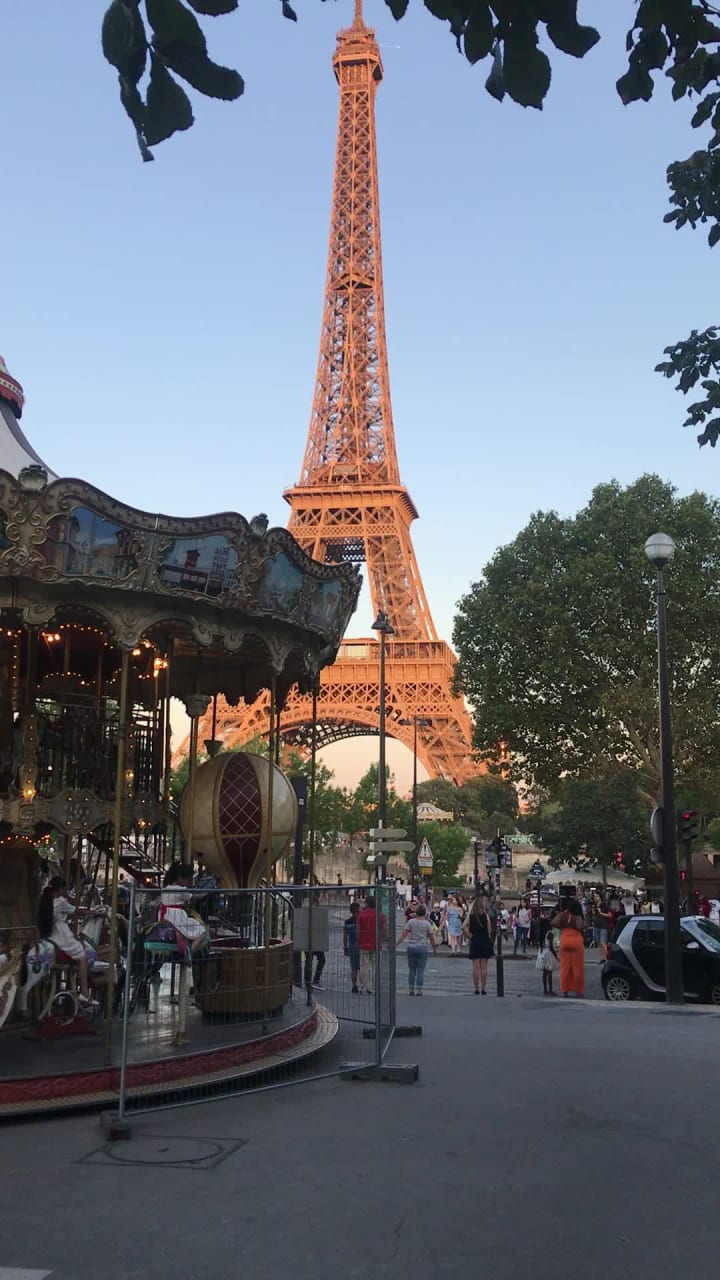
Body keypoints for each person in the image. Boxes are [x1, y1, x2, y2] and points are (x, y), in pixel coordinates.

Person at [37, 876, 97, 1007]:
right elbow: (78, 911)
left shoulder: (45, 900)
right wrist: (93, 912)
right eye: (65, 888)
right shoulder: (60, 902)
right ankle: (85, 992)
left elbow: (73, 902)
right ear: (60, 889)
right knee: (82, 956)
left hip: (47, 935)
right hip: (60, 934)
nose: (66, 890)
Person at [160, 863, 208, 955]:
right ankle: (190, 952)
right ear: (180, 878)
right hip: (177, 917)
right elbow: (195, 897)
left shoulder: (165, 888)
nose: (189, 882)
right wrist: (206, 894)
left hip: (164, 915)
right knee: (201, 931)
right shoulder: (180, 890)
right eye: (188, 879)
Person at [552, 890, 585, 997]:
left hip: (565, 938)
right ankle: (578, 990)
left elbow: (553, 922)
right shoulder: (577, 917)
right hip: (576, 939)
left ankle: (564, 989)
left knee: (564, 967)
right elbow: (581, 926)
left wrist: (562, 927)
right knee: (577, 967)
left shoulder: (563, 915)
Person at [398, 903, 437, 996]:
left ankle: (411, 989)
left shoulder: (411, 922)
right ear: (424, 913)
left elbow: (404, 934)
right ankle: (419, 990)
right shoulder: (427, 923)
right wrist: (434, 948)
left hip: (411, 946)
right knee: (420, 969)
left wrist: (397, 943)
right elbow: (432, 937)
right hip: (422, 947)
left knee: (412, 970)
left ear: (416, 912)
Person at [356, 894, 387, 994]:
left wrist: (358, 940)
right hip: (376, 943)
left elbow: (358, 930)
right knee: (375, 967)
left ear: (367, 903)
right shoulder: (380, 915)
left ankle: (363, 986)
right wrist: (382, 939)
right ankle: (373, 987)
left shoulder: (361, 914)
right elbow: (383, 929)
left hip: (364, 943)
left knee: (364, 966)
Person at [464, 896, 494, 995]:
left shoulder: (471, 916)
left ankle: (476, 988)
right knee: (484, 967)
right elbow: (489, 931)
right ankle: (483, 988)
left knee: (475, 967)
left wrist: (468, 935)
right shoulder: (486, 916)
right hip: (484, 941)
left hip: (475, 941)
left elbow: (463, 926)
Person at [343, 901, 361, 994]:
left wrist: (345, 947)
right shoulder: (361, 920)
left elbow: (345, 936)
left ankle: (354, 985)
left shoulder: (347, 922)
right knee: (362, 967)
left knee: (354, 968)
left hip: (352, 946)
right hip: (362, 946)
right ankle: (363, 985)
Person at [536, 925, 558, 995]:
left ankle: (545, 989)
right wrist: (555, 954)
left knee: (544, 972)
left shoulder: (541, 933)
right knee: (549, 972)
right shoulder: (550, 933)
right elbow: (551, 945)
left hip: (542, 952)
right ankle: (550, 990)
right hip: (548, 953)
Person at [591, 890, 612, 960]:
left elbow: (610, 915)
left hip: (604, 926)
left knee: (603, 942)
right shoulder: (594, 905)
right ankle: (603, 957)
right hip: (596, 925)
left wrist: (601, 913)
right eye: (594, 896)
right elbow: (593, 916)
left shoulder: (604, 905)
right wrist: (593, 913)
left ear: (600, 897)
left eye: (597, 896)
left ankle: (607, 957)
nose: (595, 898)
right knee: (599, 943)